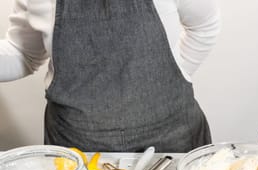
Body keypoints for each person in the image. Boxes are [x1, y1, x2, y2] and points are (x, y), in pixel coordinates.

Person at [0, 0, 220, 152]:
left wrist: (174, 79)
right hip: (78, 147)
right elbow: (23, 53)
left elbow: (204, 27)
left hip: (173, 142)